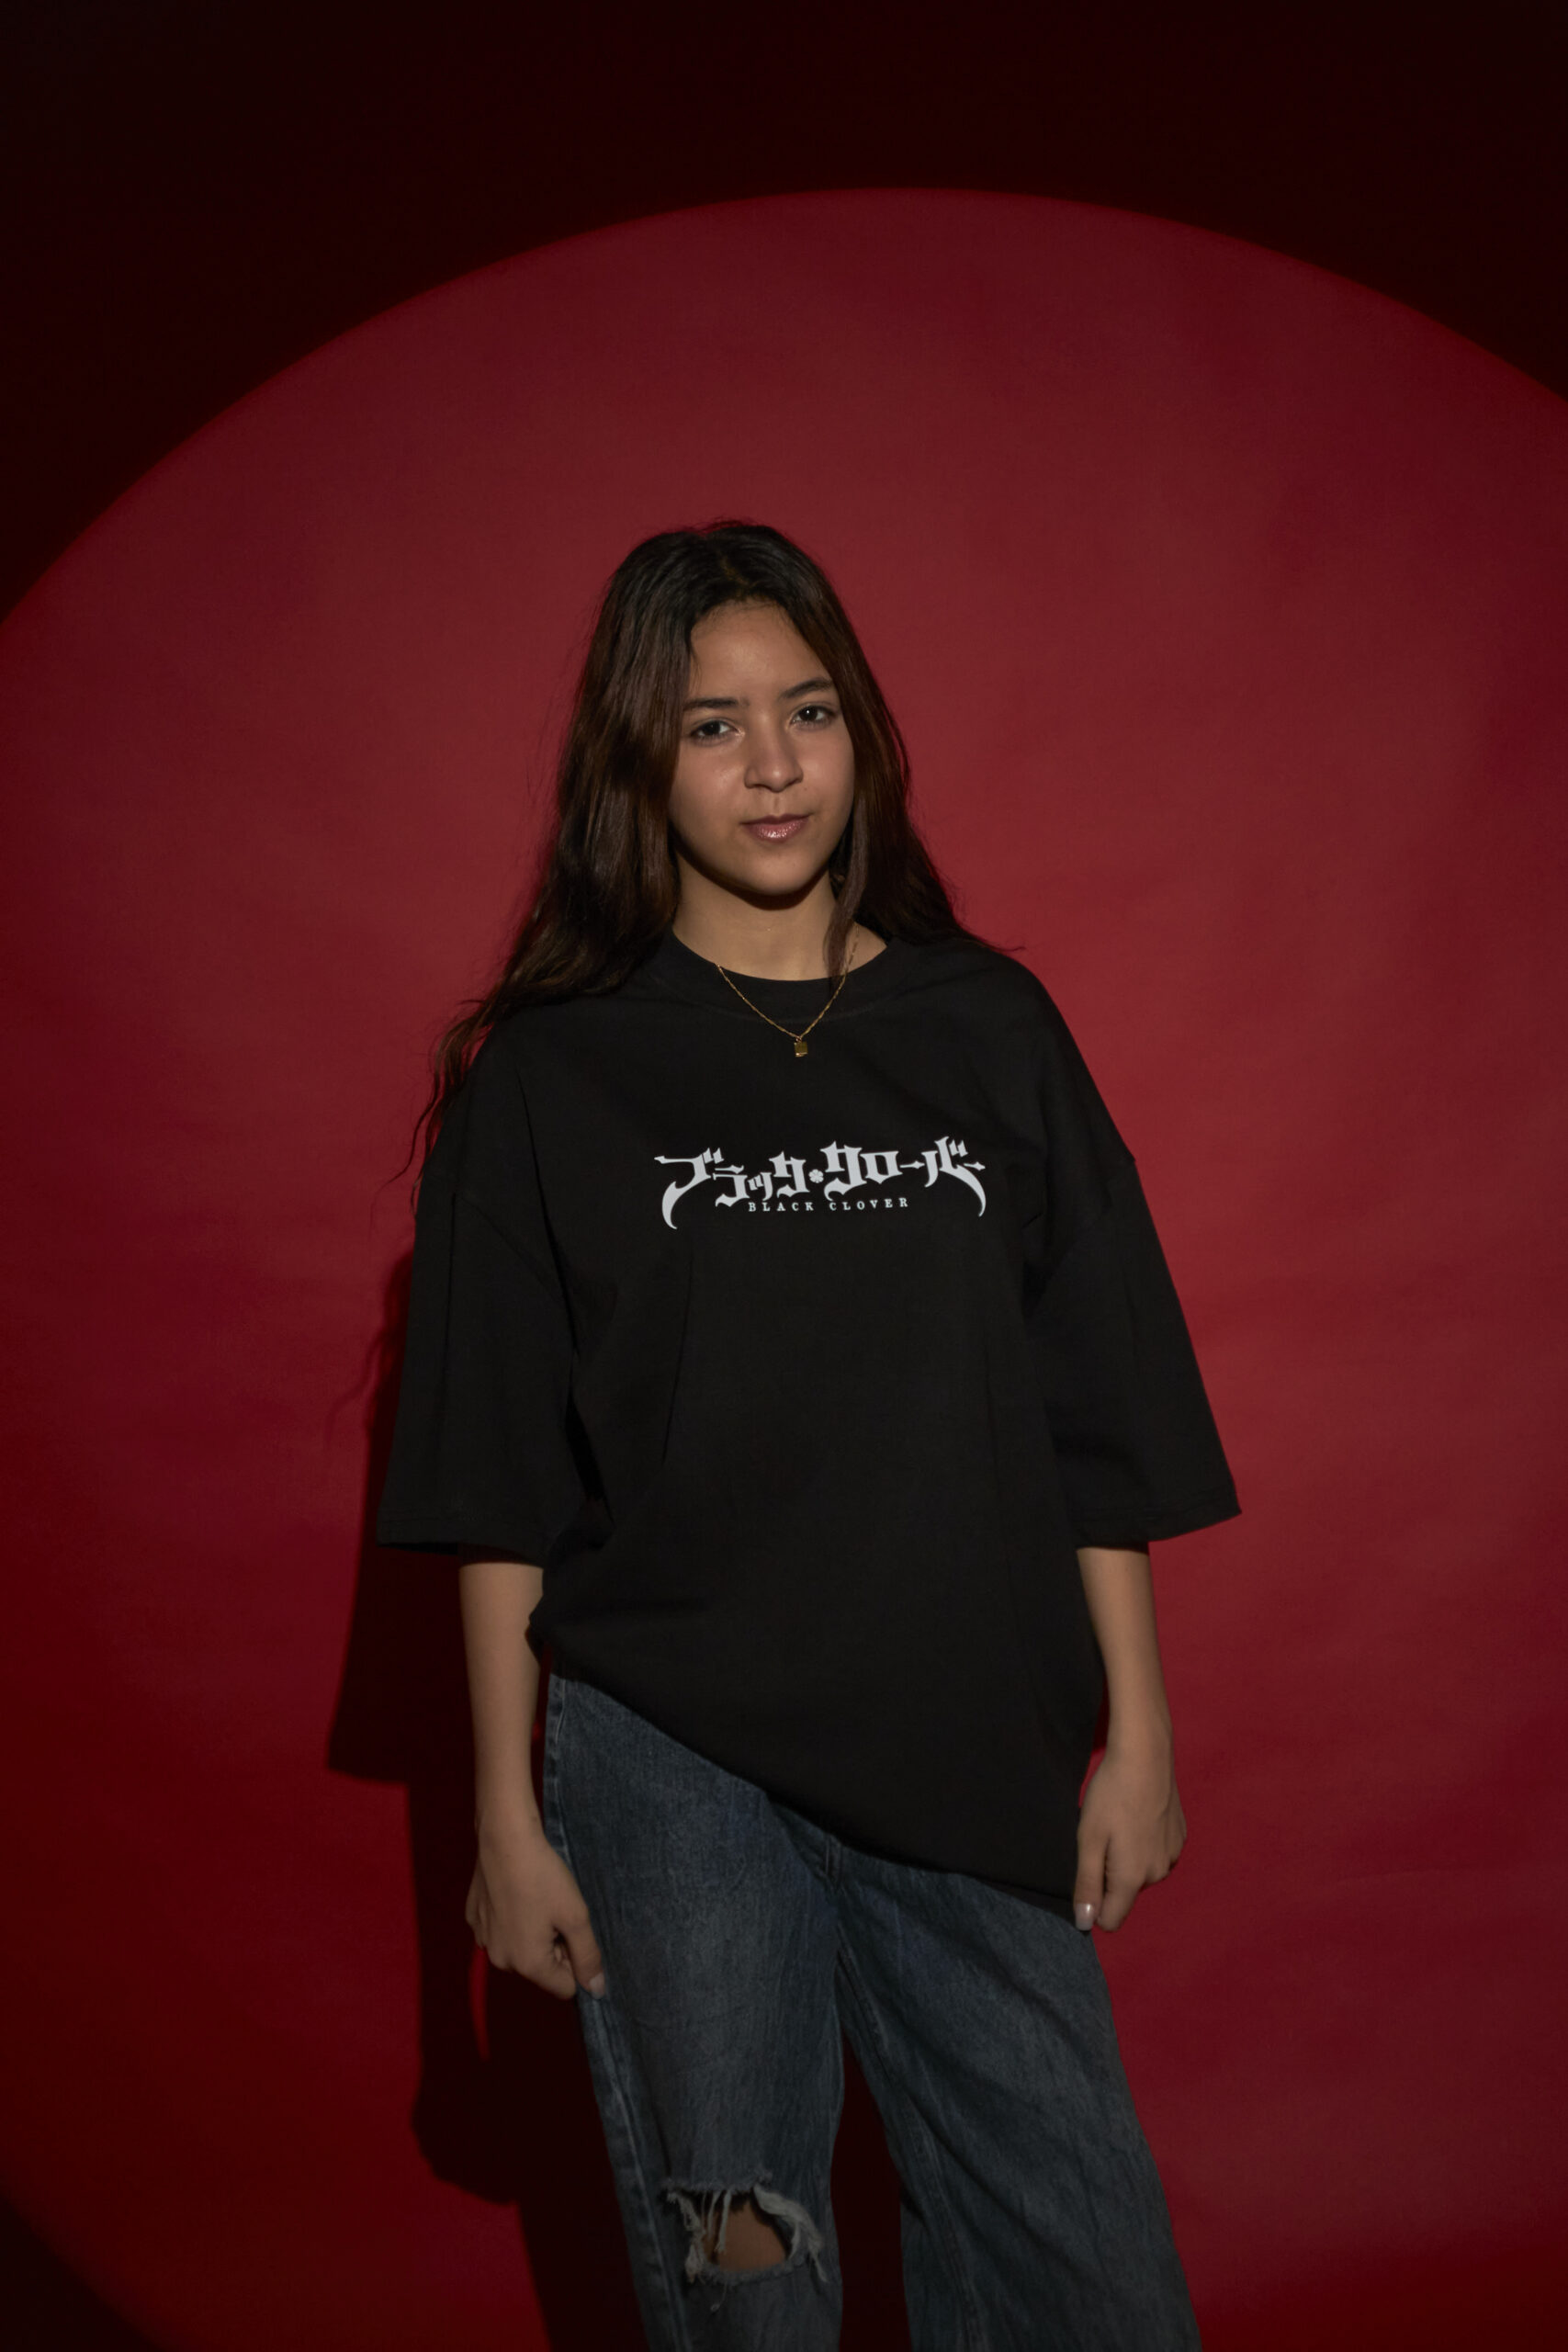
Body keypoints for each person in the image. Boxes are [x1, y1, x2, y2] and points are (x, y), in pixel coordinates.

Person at [376, 520, 1239, 2350]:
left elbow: (1098, 1403)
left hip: (959, 1737)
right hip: (669, 1767)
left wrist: (1141, 1734)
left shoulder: (984, 1024)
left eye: (809, 711)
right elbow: (495, 1477)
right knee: (745, 2270)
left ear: (862, 736)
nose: (771, 765)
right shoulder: (553, 1074)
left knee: (1088, 2284)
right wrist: (505, 1819)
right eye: (711, 725)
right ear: (639, 760)